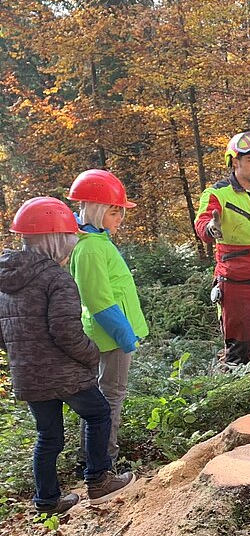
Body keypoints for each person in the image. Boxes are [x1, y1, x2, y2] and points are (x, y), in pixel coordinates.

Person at [0, 197, 135, 513]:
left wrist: (22, 356)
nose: (72, 246)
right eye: (69, 239)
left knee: (48, 436)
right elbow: (66, 332)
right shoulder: (56, 278)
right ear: (56, 241)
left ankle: (47, 501)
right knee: (99, 413)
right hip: (63, 372)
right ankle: (99, 479)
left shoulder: (5, 281)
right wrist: (90, 355)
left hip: (28, 376)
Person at [68, 169, 148, 470]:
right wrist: (125, 336)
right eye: (115, 212)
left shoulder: (97, 241)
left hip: (112, 332)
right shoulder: (89, 248)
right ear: (98, 210)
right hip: (110, 336)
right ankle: (103, 462)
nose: (120, 218)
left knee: (103, 397)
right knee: (110, 397)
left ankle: (90, 457)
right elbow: (99, 301)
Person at [195, 131, 250, 365]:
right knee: (238, 353)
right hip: (235, 284)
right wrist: (211, 229)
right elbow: (202, 223)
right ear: (235, 162)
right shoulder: (217, 194)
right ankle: (232, 395)